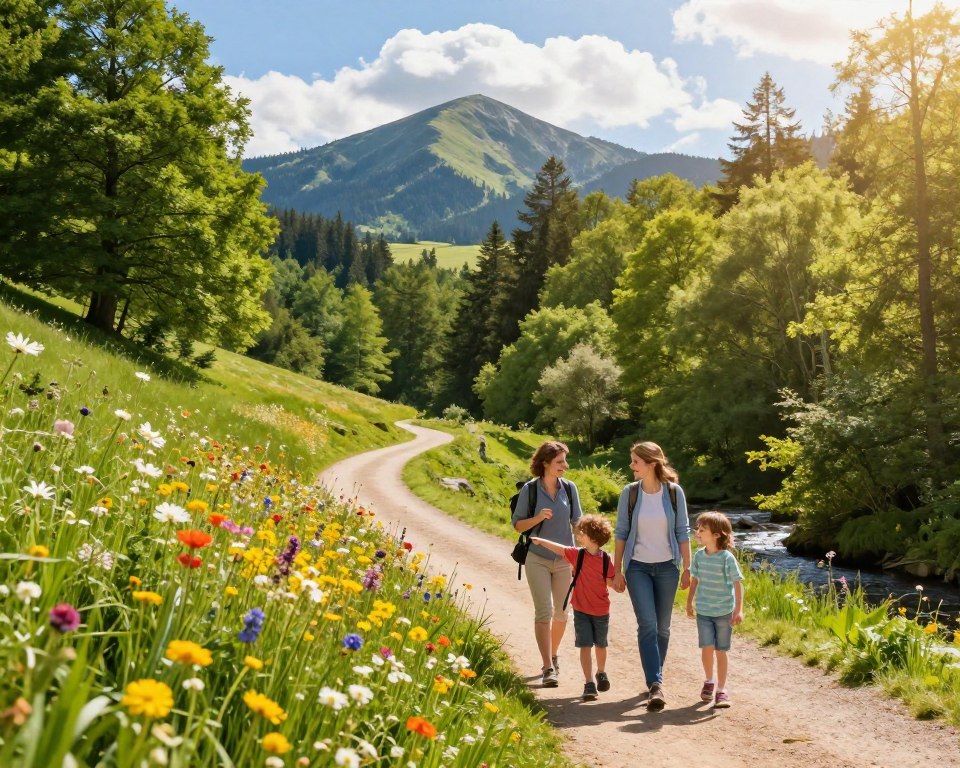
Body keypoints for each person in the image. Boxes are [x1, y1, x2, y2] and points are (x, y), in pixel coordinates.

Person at [612, 441, 691, 711]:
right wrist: (617, 570)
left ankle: (656, 677)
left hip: (668, 567)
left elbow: (683, 531)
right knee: (647, 624)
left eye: (635, 461)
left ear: (652, 463)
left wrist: (688, 567)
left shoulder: (673, 493)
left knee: (663, 627)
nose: (631, 466)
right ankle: (655, 684)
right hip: (638, 568)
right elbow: (621, 532)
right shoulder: (630, 494)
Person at [512, 440, 582, 687]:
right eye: (560, 461)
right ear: (545, 463)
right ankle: (547, 666)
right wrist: (538, 517)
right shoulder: (530, 491)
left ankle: (554, 654)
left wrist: (584, 551)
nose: (565, 465)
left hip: (564, 560)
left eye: (565, 460)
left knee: (562, 614)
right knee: (544, 612)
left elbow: (577, 524)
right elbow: (518, 525)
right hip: (537, 559)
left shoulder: (570, 489)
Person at [532, 514, 615, 701]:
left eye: (582, 533)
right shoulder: (578, 554)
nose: (578, 536)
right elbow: (560, 549)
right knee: (585, 645)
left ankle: (601, 672)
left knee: (601, 645)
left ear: (593, 537)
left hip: (601, 610)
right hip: (581, 610)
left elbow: (610, 581)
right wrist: (540, 541)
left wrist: (619, 582)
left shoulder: (605, 559)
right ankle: (588, 683)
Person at [686, 511, 744, 709]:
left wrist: (738, 609)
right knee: (706, 647)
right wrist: (688, 602)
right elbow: (695, 580)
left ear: (717, 535)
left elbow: (737, 583)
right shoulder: (699, 556)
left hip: (724, 612)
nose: (698, 533)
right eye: (698, 529)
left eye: (703, 530)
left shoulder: (726, 558)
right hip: (704, 611)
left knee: (721, 650)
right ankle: (709, 681)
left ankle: (721, 690)